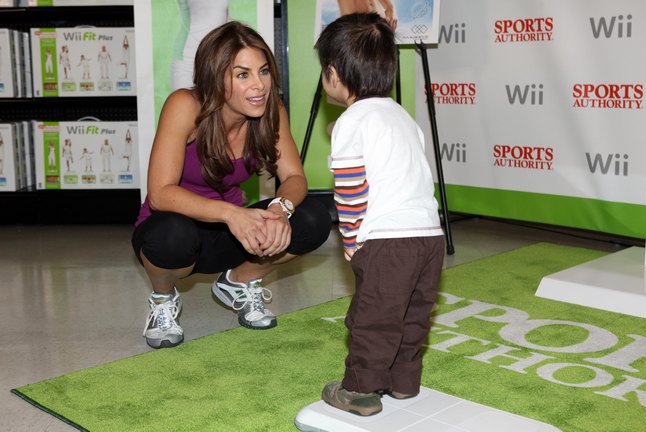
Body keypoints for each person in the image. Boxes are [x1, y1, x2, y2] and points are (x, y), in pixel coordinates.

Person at [132, 21, 331, 349]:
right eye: (243, 75)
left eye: (264, 71)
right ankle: (163, 298)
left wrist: (281, 209)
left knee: (313, 218)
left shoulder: (270, 111)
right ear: (216, 78)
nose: (259, 86)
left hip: (233, 234)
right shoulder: (185, 105)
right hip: (177, 229)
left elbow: (295, 178)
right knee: (171, 235)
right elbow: (160, 194)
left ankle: (239, 281)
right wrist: (230, 214)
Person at [315, 13, 445, 416]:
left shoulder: (351, 121)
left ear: (334, 75)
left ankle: (360, 390)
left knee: (374, 317)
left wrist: (352, 241)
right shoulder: (403, 117)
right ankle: (404, 382)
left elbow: (352, 190)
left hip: (386, 239)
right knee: (412, 313)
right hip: (429, 235)